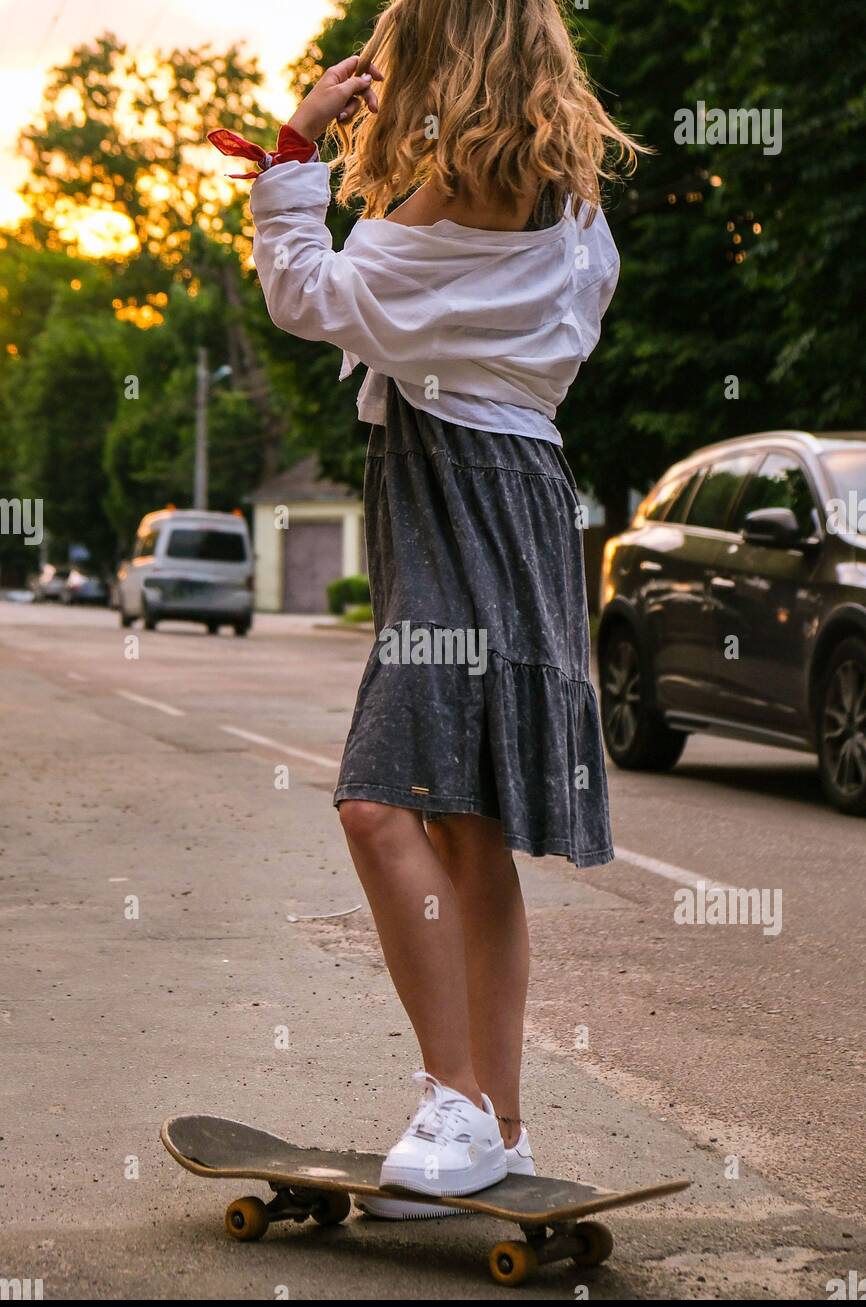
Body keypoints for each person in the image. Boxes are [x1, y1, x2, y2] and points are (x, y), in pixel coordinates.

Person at [210, 0, 644, 1219]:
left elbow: (307, 295)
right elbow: (548, 337)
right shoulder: (573, 209)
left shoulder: (429, 216)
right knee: (467, 826)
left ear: (436, 64)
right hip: (527, 491)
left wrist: (292, 150)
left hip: (447, 488)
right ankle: (495, 1125)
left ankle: (450, 1101)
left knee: (374, 799)